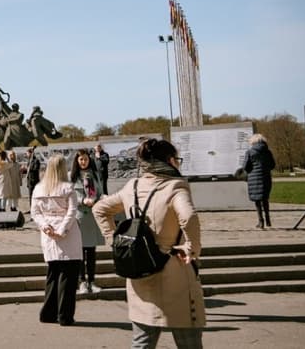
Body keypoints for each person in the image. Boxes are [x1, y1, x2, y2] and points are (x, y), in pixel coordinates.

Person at [92, 138, 205, 349]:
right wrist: (192, 248)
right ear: (171, 160)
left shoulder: (132, 186)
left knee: (142, 342)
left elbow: (100, 209)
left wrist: (114, 241)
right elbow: (189, 217)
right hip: (174, 270)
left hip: (139, 269)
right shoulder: (175, 187)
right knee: (188, 341)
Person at [31, 154, 82, 327]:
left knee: (53, 274)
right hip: (67, 234)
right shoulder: (68, 188)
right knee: (68, 276)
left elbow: (35, 213)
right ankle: (65, 315)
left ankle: (48, 312)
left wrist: (45, 226)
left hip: (48, 233)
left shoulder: (38, 189)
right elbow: (72, 211)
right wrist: (63, 229)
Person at [70, 149, 105, 294]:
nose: (83, 162)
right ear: (77, 162)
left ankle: (92, 281)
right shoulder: (72, 177)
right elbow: (70, 196)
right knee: (80, 252)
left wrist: (101, 198)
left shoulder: (95, 175)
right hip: (79, 217)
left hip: (92, 217)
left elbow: (100, 192)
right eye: (81, 160)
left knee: (91, 252)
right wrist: (82, 200)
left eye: (85, 159)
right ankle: (82, 282)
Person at [244, 133, 276, 229]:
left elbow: (245, 166)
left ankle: (260, 221)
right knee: (265, 198)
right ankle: (268, 220)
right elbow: (272, 165)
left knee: (257, 200)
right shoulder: (268, 152)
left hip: (254, 178)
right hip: (266, 177)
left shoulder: (250, 152)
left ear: (253, 141)